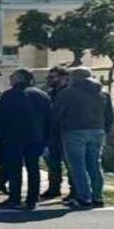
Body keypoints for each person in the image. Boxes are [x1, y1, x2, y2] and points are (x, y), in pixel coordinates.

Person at [54, 66, 114, 210]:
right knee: (95, 165)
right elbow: (109, 116)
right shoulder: (103, 93)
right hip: (98, 130)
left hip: (74, 130)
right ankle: (97, 197)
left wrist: (55, 129)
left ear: (73, 78)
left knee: (78, 166)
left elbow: (57, 113)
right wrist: (104, 129)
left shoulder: (68, 92)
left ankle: (83, 197)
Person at [0, 68, 51, 210]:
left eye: (12, 76)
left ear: (20, 78)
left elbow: (1, 118)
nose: (10, 79)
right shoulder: (42, 95)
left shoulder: (10, 95)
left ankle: (15, 198)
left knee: (14, 168)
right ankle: (32, 199)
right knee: (33, 168)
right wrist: (46, 138)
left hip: (13, 137)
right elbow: (49, 119)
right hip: (35, 137)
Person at [42, 65, 71, 199]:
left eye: (52, 77)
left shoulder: (68, 93)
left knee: (69, 163)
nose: (49, 80)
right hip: (52, 132)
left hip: (66, 131)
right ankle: (54, 188)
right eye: (48, 77)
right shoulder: (50, 93)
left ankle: (74, 190)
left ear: (64, 77)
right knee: (52, 162)